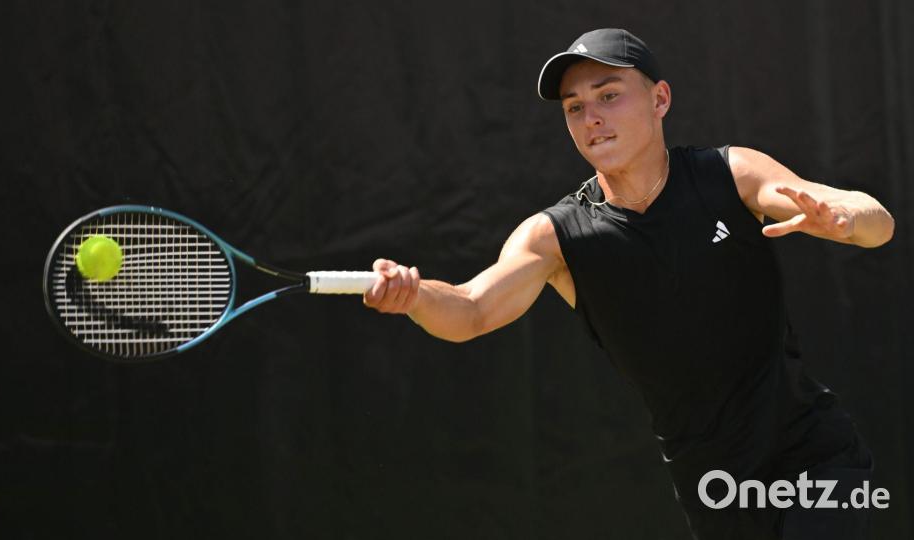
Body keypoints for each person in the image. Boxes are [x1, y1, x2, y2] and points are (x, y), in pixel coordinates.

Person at [362, 28, 894, 539]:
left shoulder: (731, 174)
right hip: (715, 489)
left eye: (609, 95)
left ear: (659, 99)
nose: (591, 118)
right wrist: (415, 295)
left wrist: (847, 220)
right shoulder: (557, 237)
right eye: (574, 108)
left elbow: (873, 221)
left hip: (815, 458)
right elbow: (471, 309)